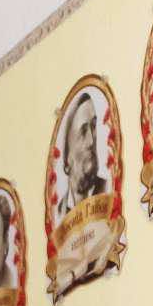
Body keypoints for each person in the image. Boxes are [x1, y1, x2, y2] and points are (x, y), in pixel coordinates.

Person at [57, 91, 107, 219]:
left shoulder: (107, 190)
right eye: (83, 131)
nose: (91, 141)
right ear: (67, 150)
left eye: (93, 126)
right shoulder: (59, 211)